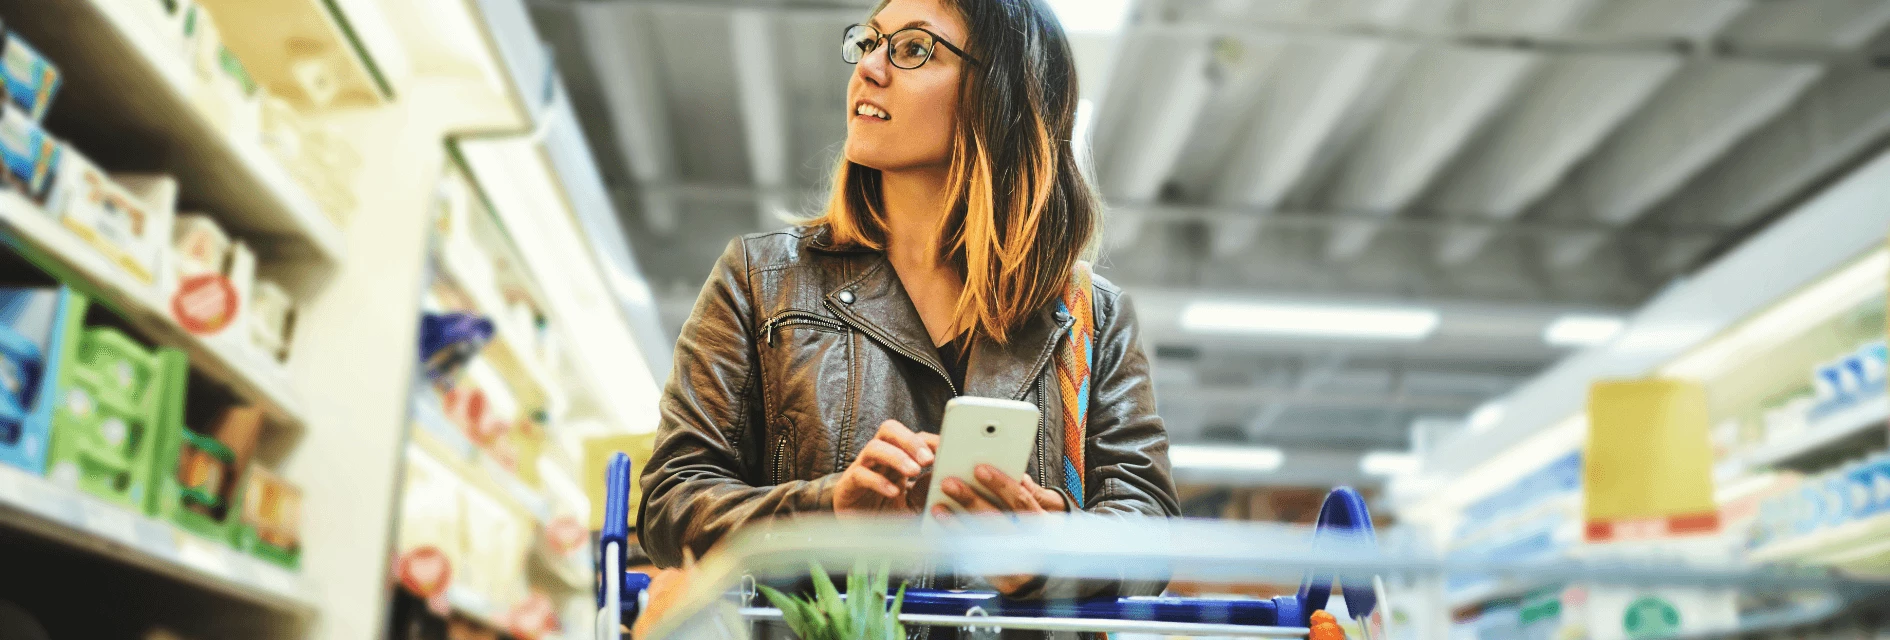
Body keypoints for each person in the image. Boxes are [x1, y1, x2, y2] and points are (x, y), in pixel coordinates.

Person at [636, 0, 1178, 603]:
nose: (869, 67)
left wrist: (1046, 554)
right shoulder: (762, 281)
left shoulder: (1090, 316)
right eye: (868, 42)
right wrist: (827, 512)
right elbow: (670, 505)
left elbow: (1147, 524)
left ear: (1001, 95)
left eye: (913, 49)